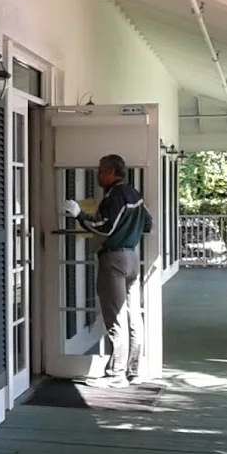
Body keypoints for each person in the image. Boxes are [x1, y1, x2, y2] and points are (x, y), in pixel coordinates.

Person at [64, 154, 151, 388]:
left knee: (116, 318)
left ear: (112, 171)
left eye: (101, 170)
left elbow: (105, 228)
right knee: (134, 318)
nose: (98, 174)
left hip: (113, 260)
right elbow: (148, 223)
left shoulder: (114, 196)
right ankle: (134, 371)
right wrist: (129, 233)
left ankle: (116, 375)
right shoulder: (134, 194)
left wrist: (79, 214)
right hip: (132, 257)